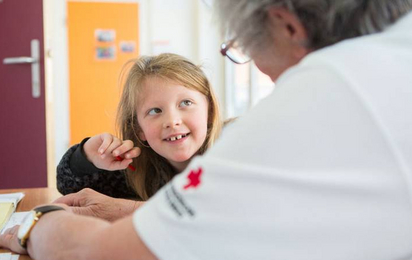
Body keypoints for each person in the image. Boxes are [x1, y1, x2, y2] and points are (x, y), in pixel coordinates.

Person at [2, 0, 412, 259]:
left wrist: (36, 224)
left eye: (245, 50)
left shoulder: (308, 105)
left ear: (287, 25)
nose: (265, 73)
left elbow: (96, 251)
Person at [54, 53, 223, 220]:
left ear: (210, 111)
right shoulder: (138, 166)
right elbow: (67, 186)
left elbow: (223, 212)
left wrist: (129, 209)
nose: (172, 121)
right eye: (155, 111)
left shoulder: (235, 149)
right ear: (139, 129)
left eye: (186, 103)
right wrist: (86, 158)